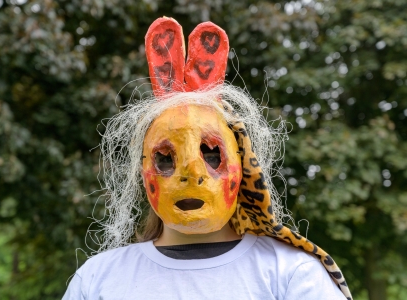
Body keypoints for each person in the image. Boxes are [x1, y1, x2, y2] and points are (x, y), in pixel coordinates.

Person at [62, 17, 352, 300]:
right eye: (164, 158)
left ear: (242, 163)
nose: (192, 173)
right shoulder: (97, 279)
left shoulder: (291, 274)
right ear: (143, 170)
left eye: (213, 154)